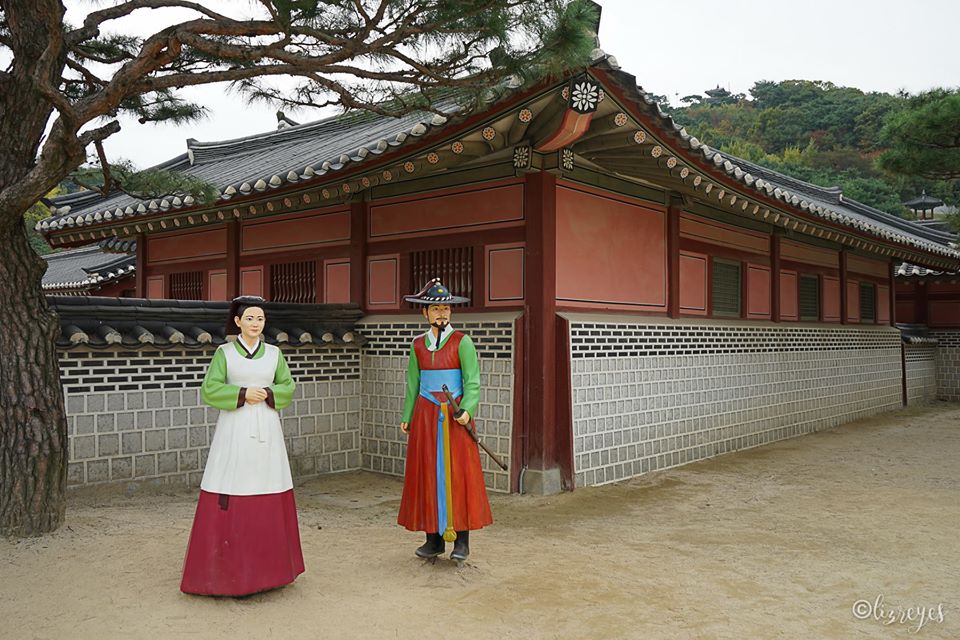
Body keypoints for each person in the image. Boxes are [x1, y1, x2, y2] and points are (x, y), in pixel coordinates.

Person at [180, 296, 304, 596]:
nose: (255, 324)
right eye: (249, 318)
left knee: (269, 481)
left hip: (267, 428)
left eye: (260, 319)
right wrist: (242, 393)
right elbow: (210, 388)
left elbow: (288, 385)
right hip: (235, 427)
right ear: (237, 322)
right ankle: (227, 572)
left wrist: (270, 393)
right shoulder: (224, 353)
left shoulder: (274, 354)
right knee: (233, 482)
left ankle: (271, 571)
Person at [397, 278, 493, 562]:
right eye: (436, 309)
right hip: (426, 416)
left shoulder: (462, 342)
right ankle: (433, 539)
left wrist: (467, 409)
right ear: (425, 313)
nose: (442, 313)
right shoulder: (417, 345)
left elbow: (472, 381)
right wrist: (407, 415)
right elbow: (413, 384)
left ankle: (461, 541)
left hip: (454, 415)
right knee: (428, 471)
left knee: (458, 473)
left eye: (446, 308)